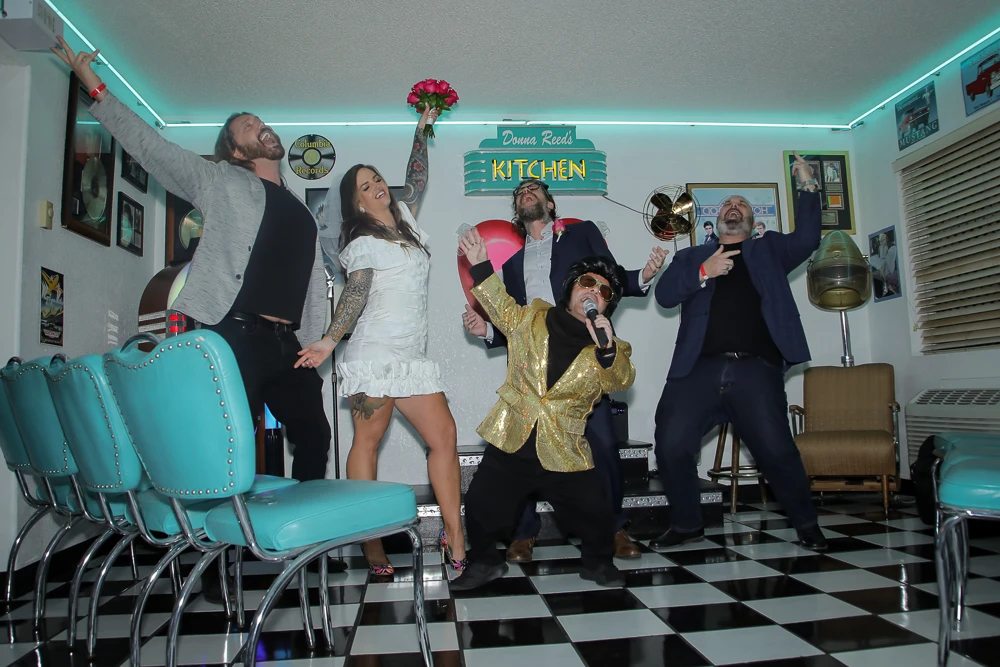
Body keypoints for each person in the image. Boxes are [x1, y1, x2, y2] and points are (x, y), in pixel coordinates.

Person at [51, 38, 347, 597]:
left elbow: (312, 282)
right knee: (230, 446)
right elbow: (150, 147)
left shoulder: (302, 211)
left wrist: (316, 338)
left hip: (290, 344)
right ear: (233, 150)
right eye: (249, 126)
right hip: (230, 331)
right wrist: (96, 91)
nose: (262, 127)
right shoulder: (221, 181)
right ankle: (219, 561)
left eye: (263, 121)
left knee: (313, 433)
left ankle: (300, 542)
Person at [295, 108, 467, 576]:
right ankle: (370, 545)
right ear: (357, 204)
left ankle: (456, 536)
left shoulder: (405, 218)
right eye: (365, 187)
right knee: (367, 442)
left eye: (377, 180)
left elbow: (417, 178)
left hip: (411, 357)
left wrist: (421, 130)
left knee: (444, 437)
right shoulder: (361, 241)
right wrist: (330, 342)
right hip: (374, 354)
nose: (377, 187)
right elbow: (357, 291)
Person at [461, 178, 667, 562]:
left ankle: (615, 529)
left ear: (550, 205)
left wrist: (644, 276)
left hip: (584, 364)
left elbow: (611, 276)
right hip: (534, 373)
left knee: (603, 445)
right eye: (520, 192)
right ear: (516, 213)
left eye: (535, 189)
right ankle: (523, 535)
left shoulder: (581, 233)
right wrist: (486, 331)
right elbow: (515, 324)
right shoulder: (511, 265)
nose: (527, 193)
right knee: (519, 451)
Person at [650, 154, 829, 551]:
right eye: (728, 204)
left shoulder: (771, 250)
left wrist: (807, 186)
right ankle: (686, 524)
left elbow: (809, 238)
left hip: (754, 371)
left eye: (742, 205)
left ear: (752, 222)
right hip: (696, 371)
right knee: (670, 444)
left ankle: (806, 524)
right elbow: (663, 295)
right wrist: (702, 273)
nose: (735, 207)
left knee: (777, 451)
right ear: (714, 222)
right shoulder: (691, 256)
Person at [453, 229, 636, 590]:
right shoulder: (532, 319)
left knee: (593, 512)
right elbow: (500, 306)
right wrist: (479, 265)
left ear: (607, 306)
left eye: (603, 292)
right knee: (480, 504)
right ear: (571, 288)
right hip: (514, 436)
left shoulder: (610, 346)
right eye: (587, 283)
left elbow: (621, 379)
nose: (593, 292)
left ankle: (598, 565)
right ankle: (484, 563)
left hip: (563, 446)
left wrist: (608, 350)